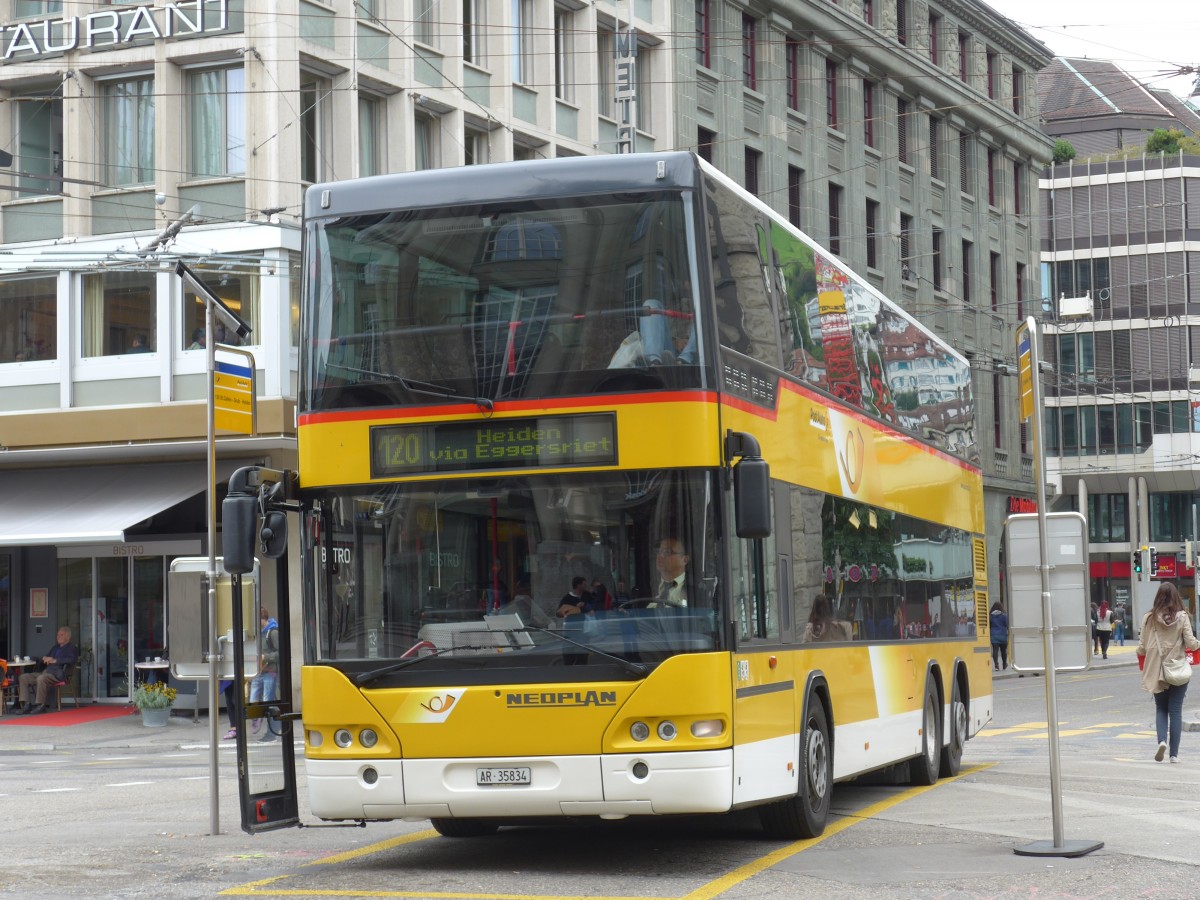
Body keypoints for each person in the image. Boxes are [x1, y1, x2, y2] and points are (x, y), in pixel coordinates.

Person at [1138, 583, 1200, 762]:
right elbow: (1191, 642)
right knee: (1175, 710)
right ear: (1176, 597)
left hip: (1156, 668)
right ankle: (1174, 755)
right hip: (1177, 669)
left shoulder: (1148, 618)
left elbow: (1141, 647)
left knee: (1161, 708)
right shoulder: (1182, 617)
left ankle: (1161, 742)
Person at [18, 626, 79, 715]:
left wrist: (56, 660)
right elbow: (46, 658)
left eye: (61, 635)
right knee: (23, 677)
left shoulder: (72, 648)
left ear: (68, 636)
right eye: (57, 635)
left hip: (57, 674)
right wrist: (44, 658)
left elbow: (71, 660)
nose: (58, 637)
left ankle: (41, 705)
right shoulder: (55, 647)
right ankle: (26, 704)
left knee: (41, 678)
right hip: (46, 672)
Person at [249, 606, 280, 742]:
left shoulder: (272, 632)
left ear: (263, 619)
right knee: (253, 701)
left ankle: (272, 732)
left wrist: (265, 657)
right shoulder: (258, 633)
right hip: (258, 672)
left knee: (269, 702)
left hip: (270, 672)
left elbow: (280, 652)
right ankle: (258, 718)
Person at [651, 536, 690, 607]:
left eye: (667, 552)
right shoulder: (648, 587)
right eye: (658, 552)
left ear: (685, 560)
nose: (660, 556)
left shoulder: (695, 589)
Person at [989, 601, 1009, 670]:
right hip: (1003, 635)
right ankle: (1004, 664)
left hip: (994, 635)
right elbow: (1007, 625)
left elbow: (989, 626)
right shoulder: (1004, 615)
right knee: (1004, 651)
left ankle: (996, 665)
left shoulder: (990, 616)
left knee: (995, 651)